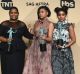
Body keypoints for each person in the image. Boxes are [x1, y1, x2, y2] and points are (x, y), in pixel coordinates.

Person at [0, 7, 34, 74]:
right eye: (12, 13)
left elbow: (28, 35)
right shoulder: (4, 24)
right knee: (6, 68)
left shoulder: (22, 24)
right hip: (6, 49)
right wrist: (6, 39)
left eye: (15, 12)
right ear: (9, 14)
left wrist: (36, 34)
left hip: (18, 50)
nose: (13, 14)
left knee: (18, 68)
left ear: (18, 13)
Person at [23, 6, 53, 74]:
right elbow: (33, 35)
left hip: (45, 47)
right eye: (39, 12)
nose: (40, 14)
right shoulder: (36, 23)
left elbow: (50, 38)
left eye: (42, 12)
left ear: (47, 13)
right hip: (35, 47)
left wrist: (44, 38)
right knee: (34, 64)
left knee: (44, 65)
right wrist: (30, 31)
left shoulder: (50, 24)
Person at [51, 6, 76, 74]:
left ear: (65, 15)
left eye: (63, 14)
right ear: (57, 16)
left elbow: (74, 40)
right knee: (56, 71)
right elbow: (51, 38)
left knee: (67, 71)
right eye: (59, 15)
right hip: (55, 52)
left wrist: (65, 46)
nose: (61, 16)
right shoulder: (53, 25)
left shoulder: (69, 25)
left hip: (66, 52)